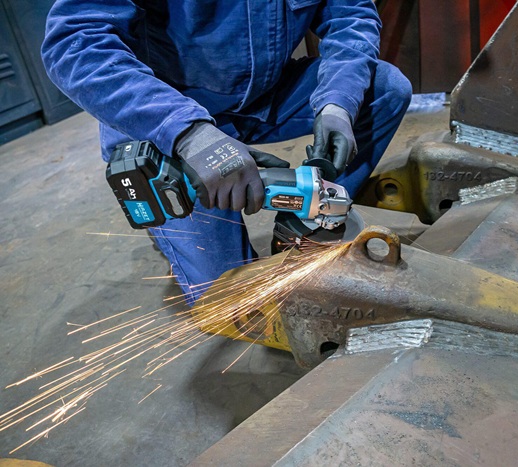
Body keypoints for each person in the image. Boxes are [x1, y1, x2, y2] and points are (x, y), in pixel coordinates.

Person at [41, 1, 412, 305]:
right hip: (164, 119)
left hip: (264, 98)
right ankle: (175, 222)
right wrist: (188, 133)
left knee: (385, 89)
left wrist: (338, 103)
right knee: (233, 300)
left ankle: (304, 222)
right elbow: (74, 45)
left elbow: (351, 15)